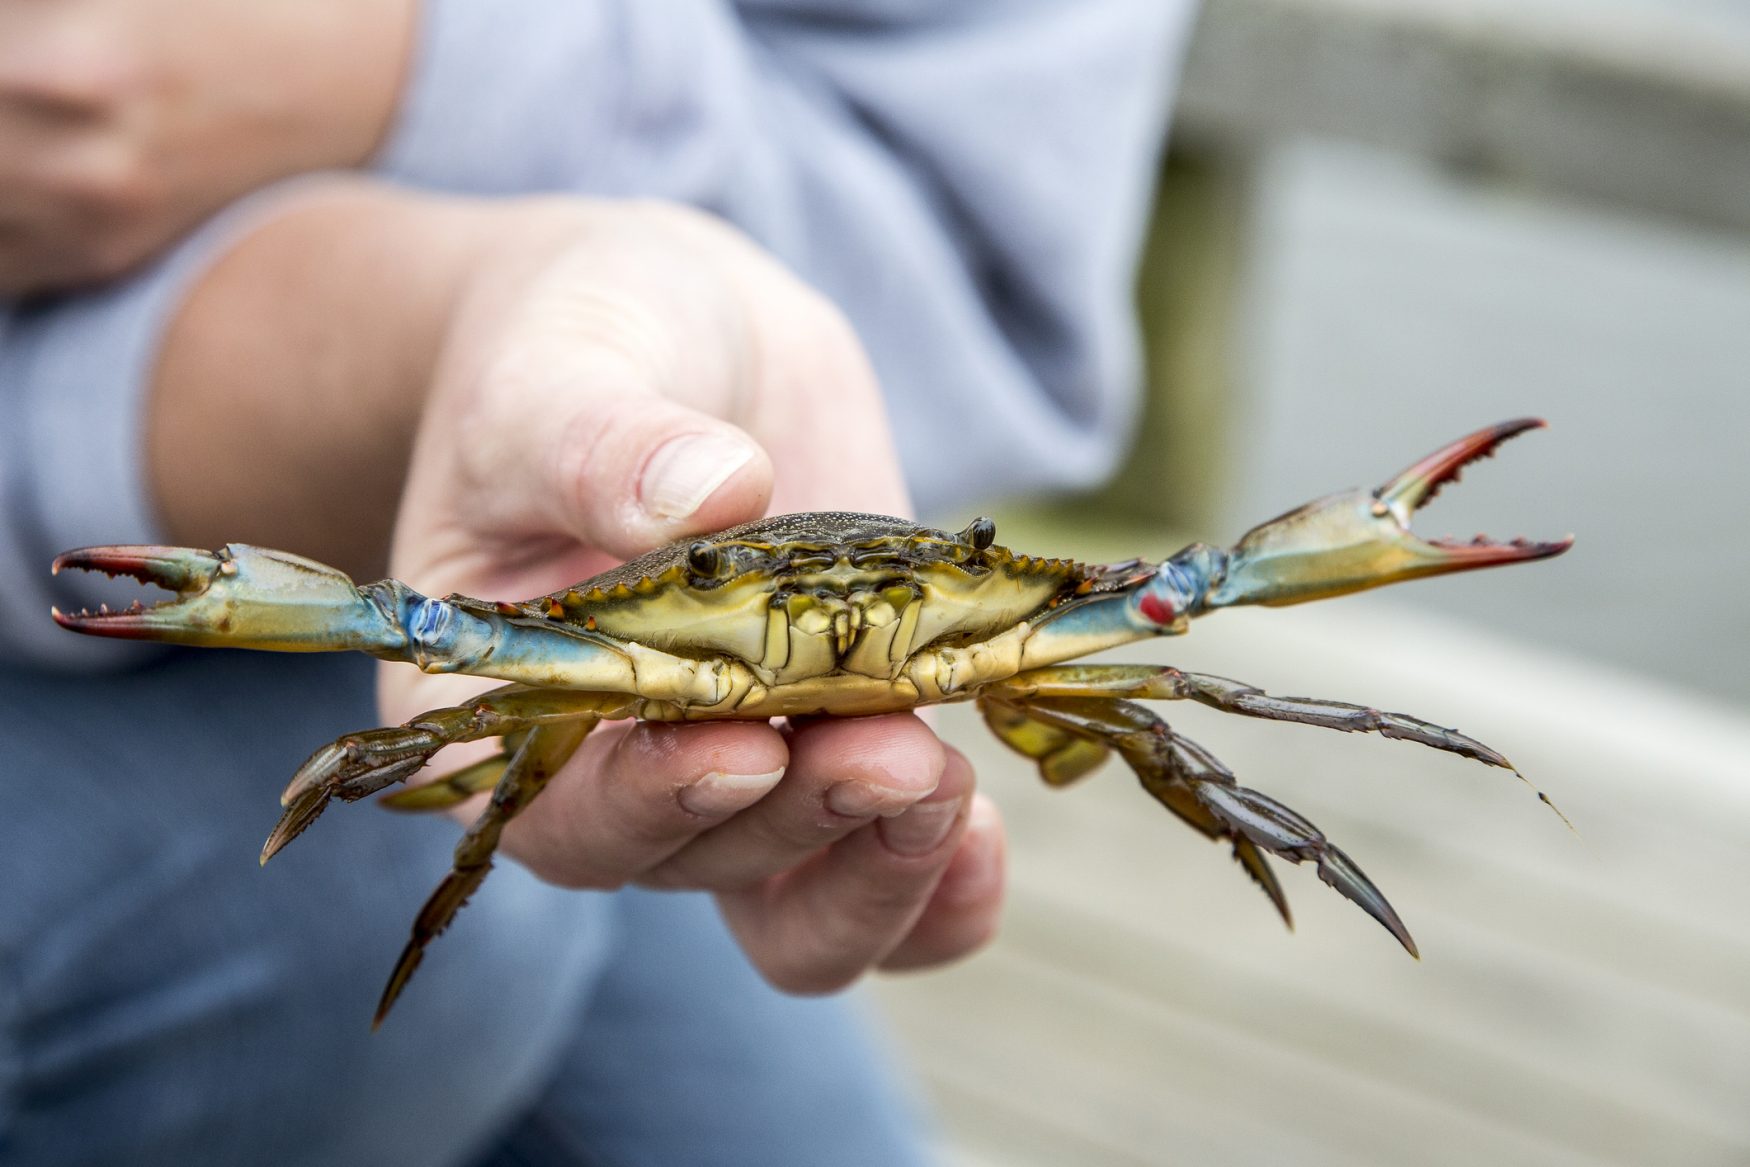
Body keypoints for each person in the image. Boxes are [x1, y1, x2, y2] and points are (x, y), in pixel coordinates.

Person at [0, 3, 1194, 1164]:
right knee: (388, 892)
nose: (831, 617)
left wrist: (416, 82)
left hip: (427, 409)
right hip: (210, 519)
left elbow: (983, 255)